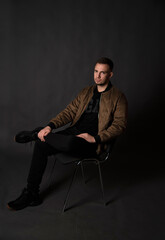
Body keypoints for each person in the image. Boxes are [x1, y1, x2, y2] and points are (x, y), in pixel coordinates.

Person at [7, 57, 128, 211]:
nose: (97, 76)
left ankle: (35, 133)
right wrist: (50, 126)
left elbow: (119, 125)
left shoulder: (118, 97)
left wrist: (95, 138)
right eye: (96, 71)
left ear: (110, 75)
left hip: (91, 142)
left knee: (69, 142)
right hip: (72, 133)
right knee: (40, 143)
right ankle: (32, 193)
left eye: (102, 73)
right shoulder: (86, 92)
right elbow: (69, 113)